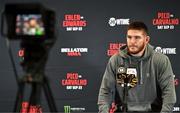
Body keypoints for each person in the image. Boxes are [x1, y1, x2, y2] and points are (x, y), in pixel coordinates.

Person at [98, 21, 176, 113]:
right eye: (129, 37)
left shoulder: (160, 60)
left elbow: (169, 94)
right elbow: (105, 92)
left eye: (137, 37)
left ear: (146, 40)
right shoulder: (115, 60)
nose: (132, 41)